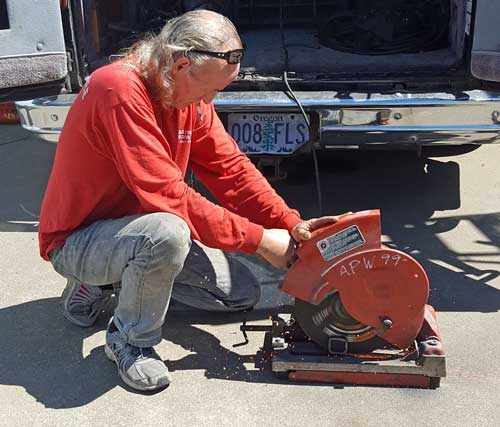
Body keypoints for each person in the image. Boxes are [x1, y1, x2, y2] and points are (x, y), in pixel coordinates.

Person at [39, 9, 338, 392]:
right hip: (79, 241)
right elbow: (165, 195)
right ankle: (131, 340)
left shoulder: (187, 97)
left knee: (238, 294)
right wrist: (260, 240)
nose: (213, 99)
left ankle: (112, 284)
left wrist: (287, 222)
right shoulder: (116, 89)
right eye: (212, 90)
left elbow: (229, 169)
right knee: (167, 234)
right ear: (181, 65)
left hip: (139, 229)